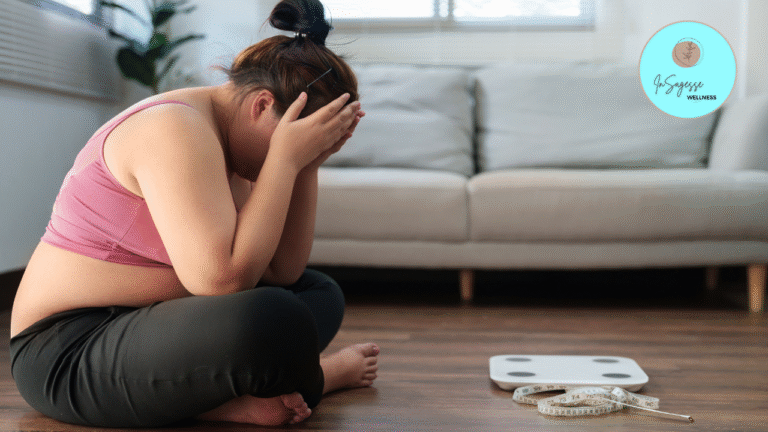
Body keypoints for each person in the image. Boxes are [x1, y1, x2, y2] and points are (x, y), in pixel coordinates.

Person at [9, 0, 378, 427]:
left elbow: (283, 271)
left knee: (319, 294)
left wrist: (306, 164)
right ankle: (319, 378)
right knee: (276, 318)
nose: (282, 159)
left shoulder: (235, 137)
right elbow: (222, 281)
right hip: (67, 351)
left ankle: (215, 402)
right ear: (261, 106)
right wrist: (283, 160)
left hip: (147, 328)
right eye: (291, 140)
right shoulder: (174, 128)